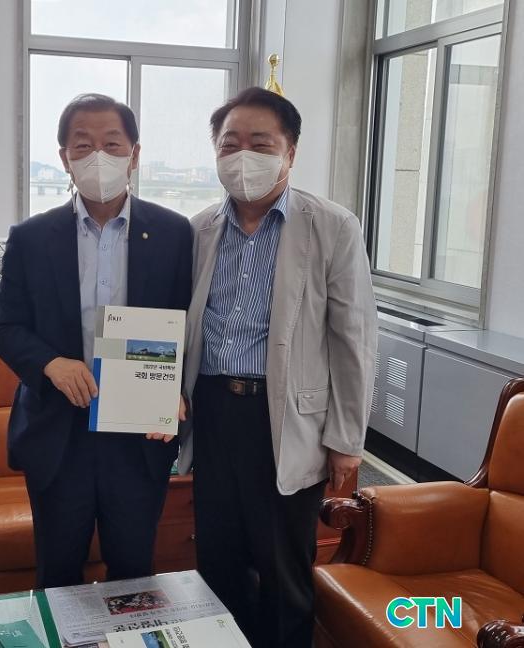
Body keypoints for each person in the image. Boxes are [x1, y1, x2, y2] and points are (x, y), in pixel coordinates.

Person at [178, 87, 377, 648]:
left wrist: (346, 439)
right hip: (214, 412)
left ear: (290, 151)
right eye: (229, 144)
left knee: (283, 564)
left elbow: (354, 338)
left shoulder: (331, 226)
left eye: (260, 143)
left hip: (287, 415)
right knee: (218, 556)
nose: (243, 155)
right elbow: (179, 327)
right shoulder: (198, 230)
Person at [0, 93, 192, 588]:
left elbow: (189, 323)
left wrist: (176, 391)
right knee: (58, 575)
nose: (98, 156)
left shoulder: (174, 234)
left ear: (134, 155)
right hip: (59, 435)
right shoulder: (31, 238)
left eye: (112, 144)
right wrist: (50, 364)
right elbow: (5, 327)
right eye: (83, 146)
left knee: (133, 573)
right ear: (65, 158)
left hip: (138, 435)